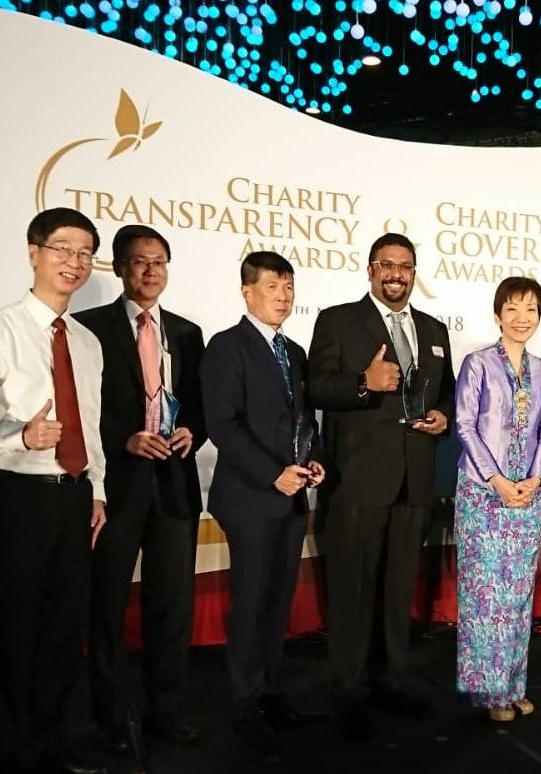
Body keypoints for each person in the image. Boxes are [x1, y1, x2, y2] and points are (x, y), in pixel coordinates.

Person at [0, 207, 108, 774]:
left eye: (85, 253)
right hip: (14, 498)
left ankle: (53, 745)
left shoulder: (86, 342)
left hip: (73, 498)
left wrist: (98, 491)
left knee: (65, 634)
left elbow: (90, 424)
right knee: (16, 633)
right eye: (63, 249)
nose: (75, 262)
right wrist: (22, 433)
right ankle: (14, 756)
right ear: (33, 253)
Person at [307, 233, 454, 739]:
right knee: (352, 590)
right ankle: (347, 689)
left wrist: (442, 417)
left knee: (397, 590)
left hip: (414, 479)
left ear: (415, 273)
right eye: (387, 265)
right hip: (358, 481)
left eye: (406, 266)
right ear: (371, 270)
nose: (397, 274)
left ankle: (391, 678)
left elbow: (448, 397)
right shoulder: (338, 320)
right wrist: (365, 381)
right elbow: (317, 388)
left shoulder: (434, 329)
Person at [74, 225, 207, 750]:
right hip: (117, 484)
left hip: (174, 484)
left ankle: (165, 714)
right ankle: (111, 719)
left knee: (172, 606)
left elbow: (201, 403)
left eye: (159, 262)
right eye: (139, 262)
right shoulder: (89, 328)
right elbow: (80, 407)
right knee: (106, 605)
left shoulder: (188, 332)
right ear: (119, 268)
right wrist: (123, 439)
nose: (150, 272)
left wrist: (194, 429)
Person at [200, 251, 327, 756]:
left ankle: (273, 694)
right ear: (246, 291)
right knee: (251, 601)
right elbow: (223, 425)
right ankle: (243, 704)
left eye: (289, 286)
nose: (283, 296)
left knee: (277, 603)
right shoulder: (227, 347)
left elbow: (305, 421)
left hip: (292, 496)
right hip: (251, 496)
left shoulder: (293, 351)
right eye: (272, 286)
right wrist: (273, 473)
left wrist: (314, 462)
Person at [454, 276, 541, 723]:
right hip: (483, 494)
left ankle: (514, 685)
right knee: (485, 597)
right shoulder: (477, 363)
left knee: (517, 596)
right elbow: (464, 425)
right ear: (498, 315)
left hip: (527, 496)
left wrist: (536, 479)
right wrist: (496, 479)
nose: (522, 318)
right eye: (513, 309)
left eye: (531, 309)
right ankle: (488, 691)